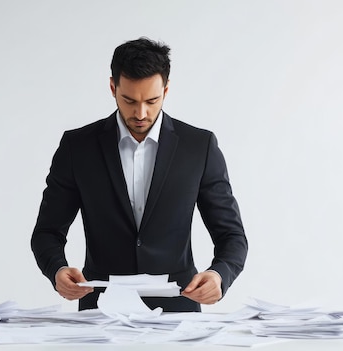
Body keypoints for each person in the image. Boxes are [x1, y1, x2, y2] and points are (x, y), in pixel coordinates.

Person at [31, 37, 247, 312]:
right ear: (113, 87)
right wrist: (56, 269)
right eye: (129, 100)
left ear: (166, 91)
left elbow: (232, 235)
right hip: (100, 314)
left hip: (178, 314)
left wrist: (220, 275)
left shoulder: (199, 147)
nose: (141, 113)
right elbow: (47, 231)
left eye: (152, 100)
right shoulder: (78, 147)